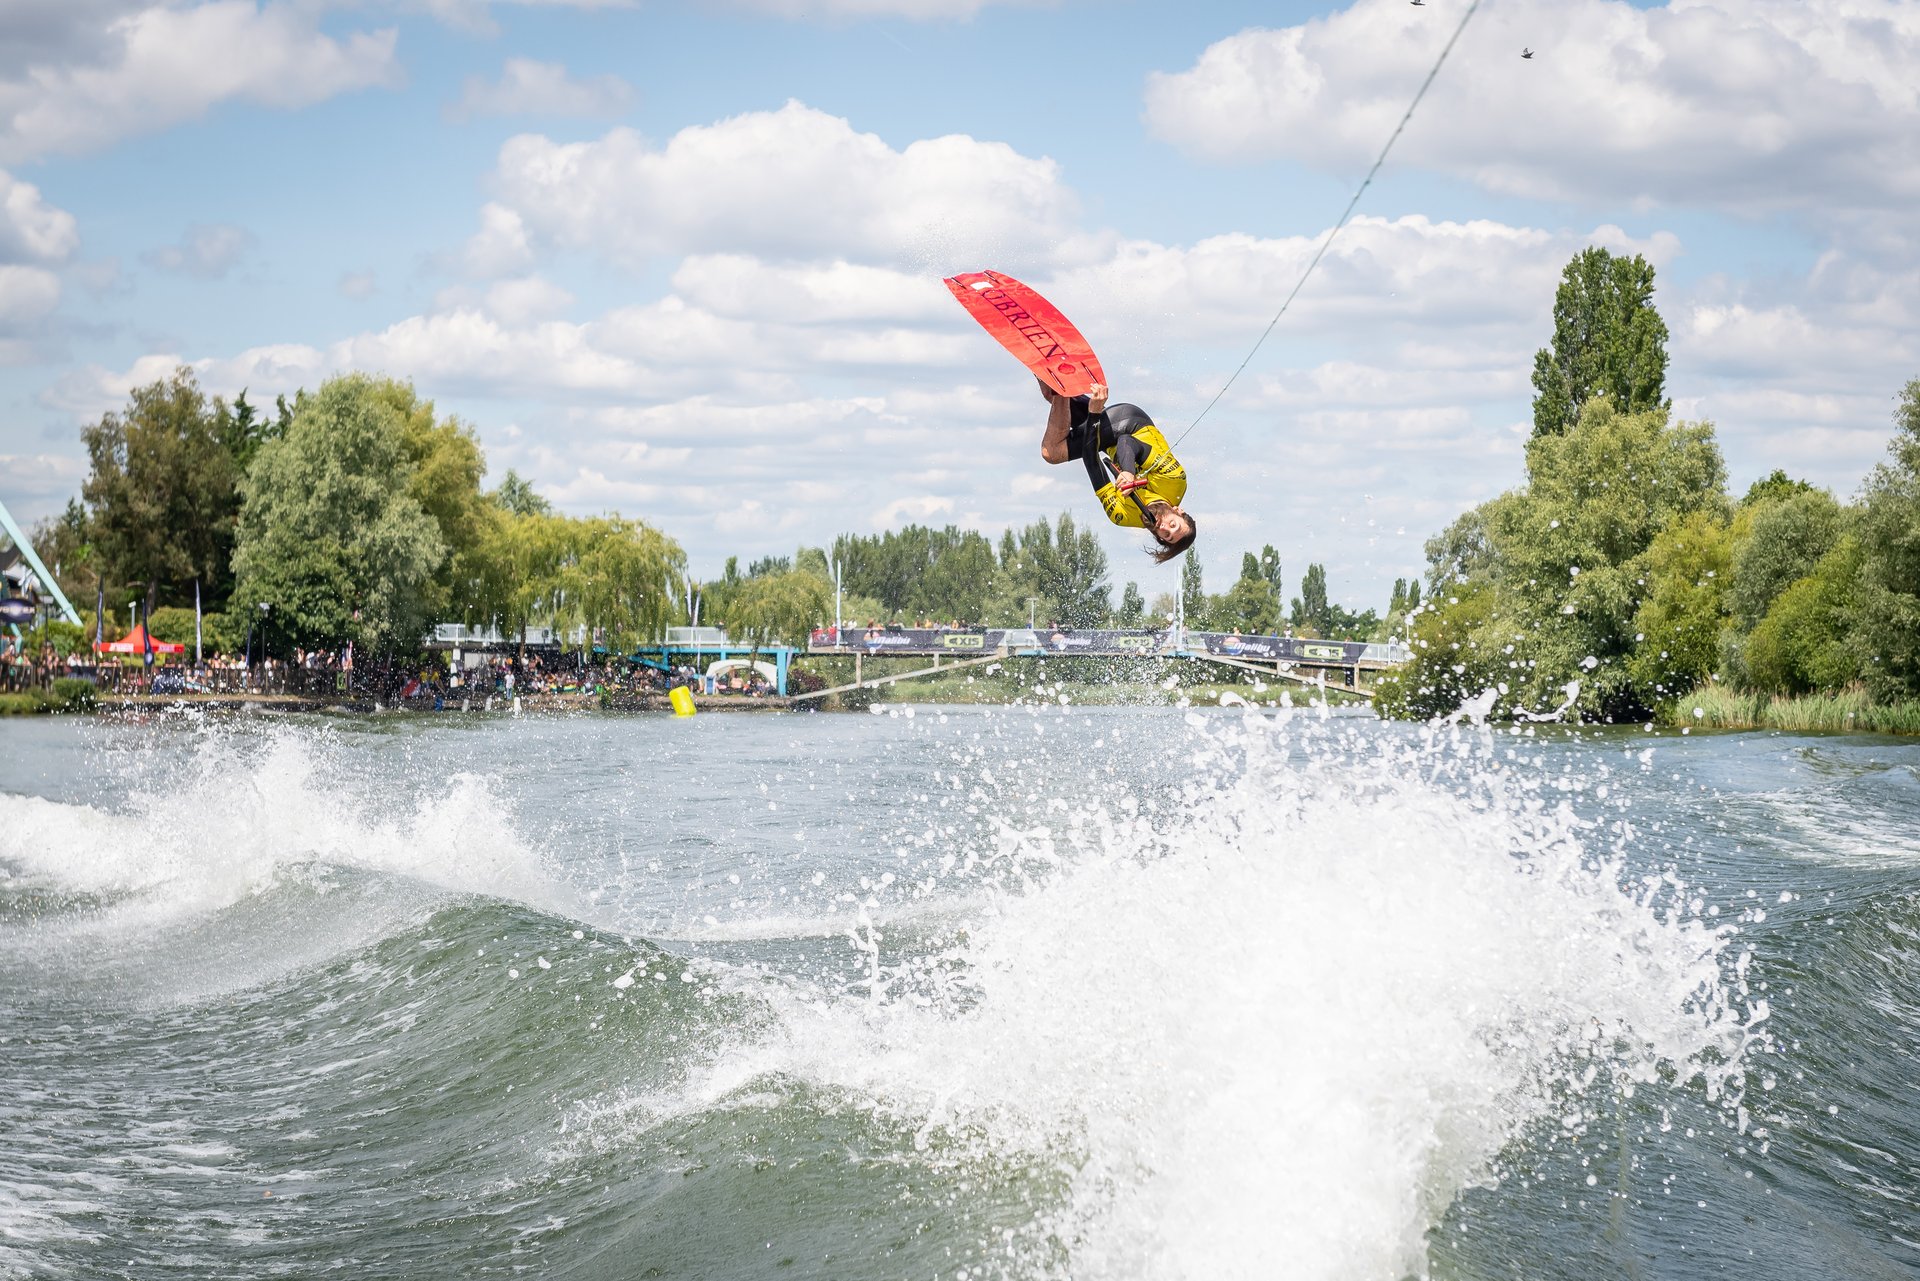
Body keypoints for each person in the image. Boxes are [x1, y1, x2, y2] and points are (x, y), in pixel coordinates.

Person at [1037, 378, 1196, 563]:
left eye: (1166, 535)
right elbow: (1126, 440)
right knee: (1052, 452)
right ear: (1178, 511)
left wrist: (1094, 413)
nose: (1164, 527)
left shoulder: (1123, 517)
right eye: (1173, 524)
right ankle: (1059, 383)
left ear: (1159, 537)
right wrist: (1129, 472)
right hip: (1129, 422)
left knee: (1055, 401)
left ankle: (1042, 368)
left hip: (1106, 440)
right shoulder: (1175, 480)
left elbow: (1091, 459)